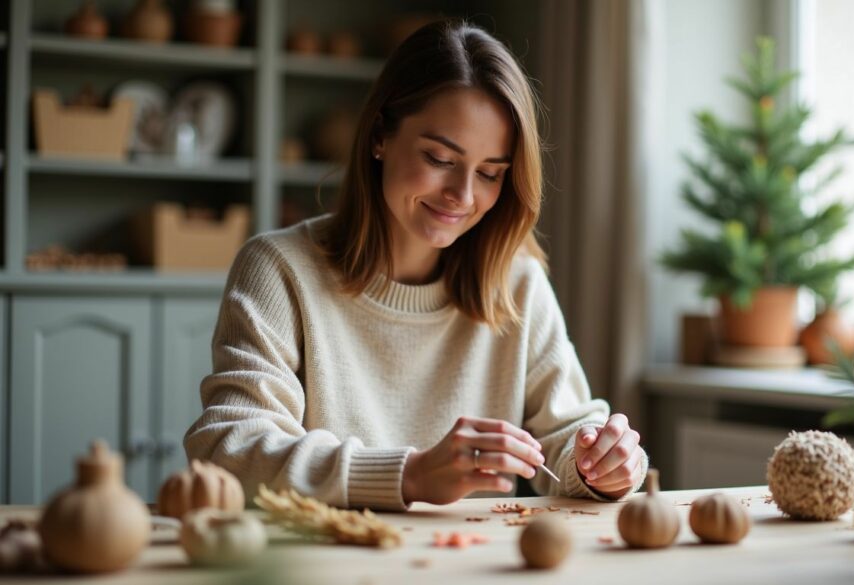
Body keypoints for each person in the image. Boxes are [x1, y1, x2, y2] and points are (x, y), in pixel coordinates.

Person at [184, 19, 648, 511]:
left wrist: (606, 463)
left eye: (490, 173)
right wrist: (408, 475)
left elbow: (570, 432)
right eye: (440, 158)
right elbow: (228, 449)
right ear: (380, 136)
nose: (463, 196)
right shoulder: (278, 269)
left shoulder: (517, 282)